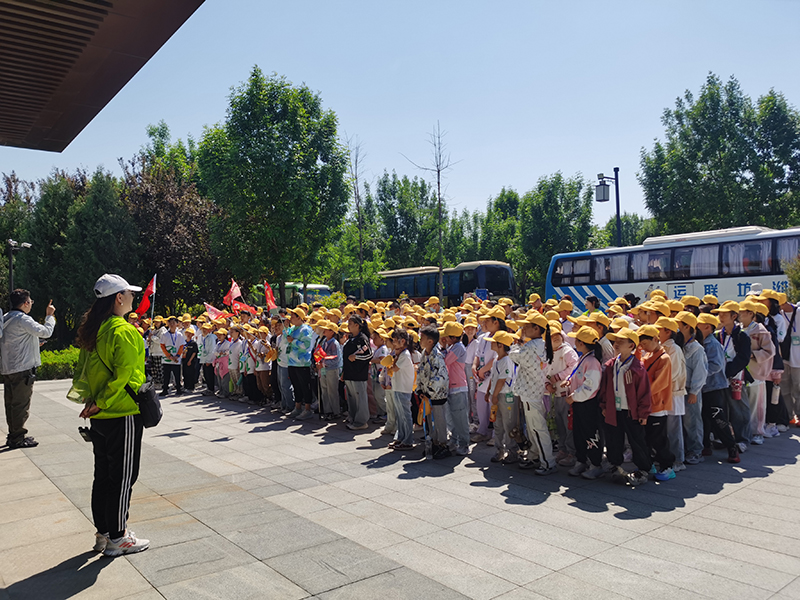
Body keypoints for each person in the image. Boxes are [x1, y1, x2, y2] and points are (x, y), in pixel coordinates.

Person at [72, 274, 149, 556]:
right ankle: (118, 537)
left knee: (103, 476)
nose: (133, 297)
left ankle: (104, 533)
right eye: (130, 293)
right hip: (121, 412)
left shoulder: (95, 329)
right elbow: (125, 375)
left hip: (100, 415)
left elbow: (83, 373)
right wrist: (102, 402)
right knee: (123, 477)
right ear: (118, 298)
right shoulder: (124, 330)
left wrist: (92, 402)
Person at [598, 327, 652, 486]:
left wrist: (643, 412)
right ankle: (615, 465)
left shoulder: (637, 367)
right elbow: (604, 387)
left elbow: (644, 392)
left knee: (637, 440)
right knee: (614, 438)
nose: (616, 344)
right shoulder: (611, 365)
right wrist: (604, 405)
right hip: (613, 409)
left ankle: (643, 469)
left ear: (631, 345)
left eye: (621, 341)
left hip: (631, 411)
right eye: (616, 341)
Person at [1, 289, 55, 448]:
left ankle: (13, 435)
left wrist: (34, 343)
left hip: (8, 368)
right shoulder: (23, 319)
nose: (31, 304)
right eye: (30, 302)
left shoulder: (6, 318)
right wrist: (49, 316)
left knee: (11, 404)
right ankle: (18, 438)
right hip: (22, 369)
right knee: (20, 405)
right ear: (25, 303)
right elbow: (46, 332)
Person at [417, 325, 450, 458]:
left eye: (422, 338)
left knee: (439, 420)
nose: (420, 340)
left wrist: (430, 391)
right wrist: (419, 388)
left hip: (437, 395)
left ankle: (443, 444)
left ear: (430, 341)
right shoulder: (424, 354)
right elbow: (420, 371)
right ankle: (433, 442)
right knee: (429, 420)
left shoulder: (437, 357)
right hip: (427, 395)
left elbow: (440, 377)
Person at [342, 315, 373, 430]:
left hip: (359, 374)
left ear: (357, 325)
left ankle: (361, 422)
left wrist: (356, 357)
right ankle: (353, 418)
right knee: (352, 398)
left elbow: (369, 355)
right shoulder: (350, 338)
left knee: (360, 398)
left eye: (350, 324)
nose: (348, 326)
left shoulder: (362, 339)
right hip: (349, 373)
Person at [159, 316, 184, 396]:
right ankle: (165, 389)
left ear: (177, 324)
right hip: (167, 359)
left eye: (174, 323)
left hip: (176, 358)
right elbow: (162, 345)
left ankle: (178, 389)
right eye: (170, 323)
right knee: (166, 375)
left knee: (177, 375)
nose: (172, 325)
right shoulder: (165, 334)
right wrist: (168, 355)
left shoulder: (179, 335)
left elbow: (181, 346)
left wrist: (177, 355)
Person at [181, 326, 199, 392]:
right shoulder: (184, 342)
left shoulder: (193, 343)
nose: (188, 335)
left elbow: (194, 352)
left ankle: (191, 387)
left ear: (192, 335)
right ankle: (186, 386)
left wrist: (190, 360)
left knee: (191, 374)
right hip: (184, 360)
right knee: (185, 374)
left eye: (190, 333)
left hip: (191, 361)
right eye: (187, 333)